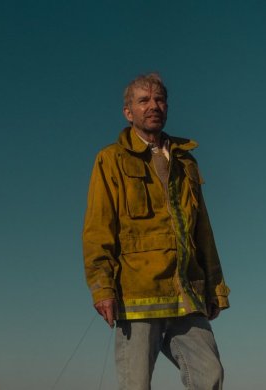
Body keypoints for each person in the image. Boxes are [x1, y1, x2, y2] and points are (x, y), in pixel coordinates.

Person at [82, 73, 230, 390]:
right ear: (128, 112)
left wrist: (216, 288)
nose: (153, 106)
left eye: (159, 99)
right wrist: (102, 287)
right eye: (144, 100)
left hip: (186, 289)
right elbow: (97, 229)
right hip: (137, 293)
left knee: (210, 374)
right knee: (136, 385)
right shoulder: (111, 159)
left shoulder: (185, 162)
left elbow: (203, 230)